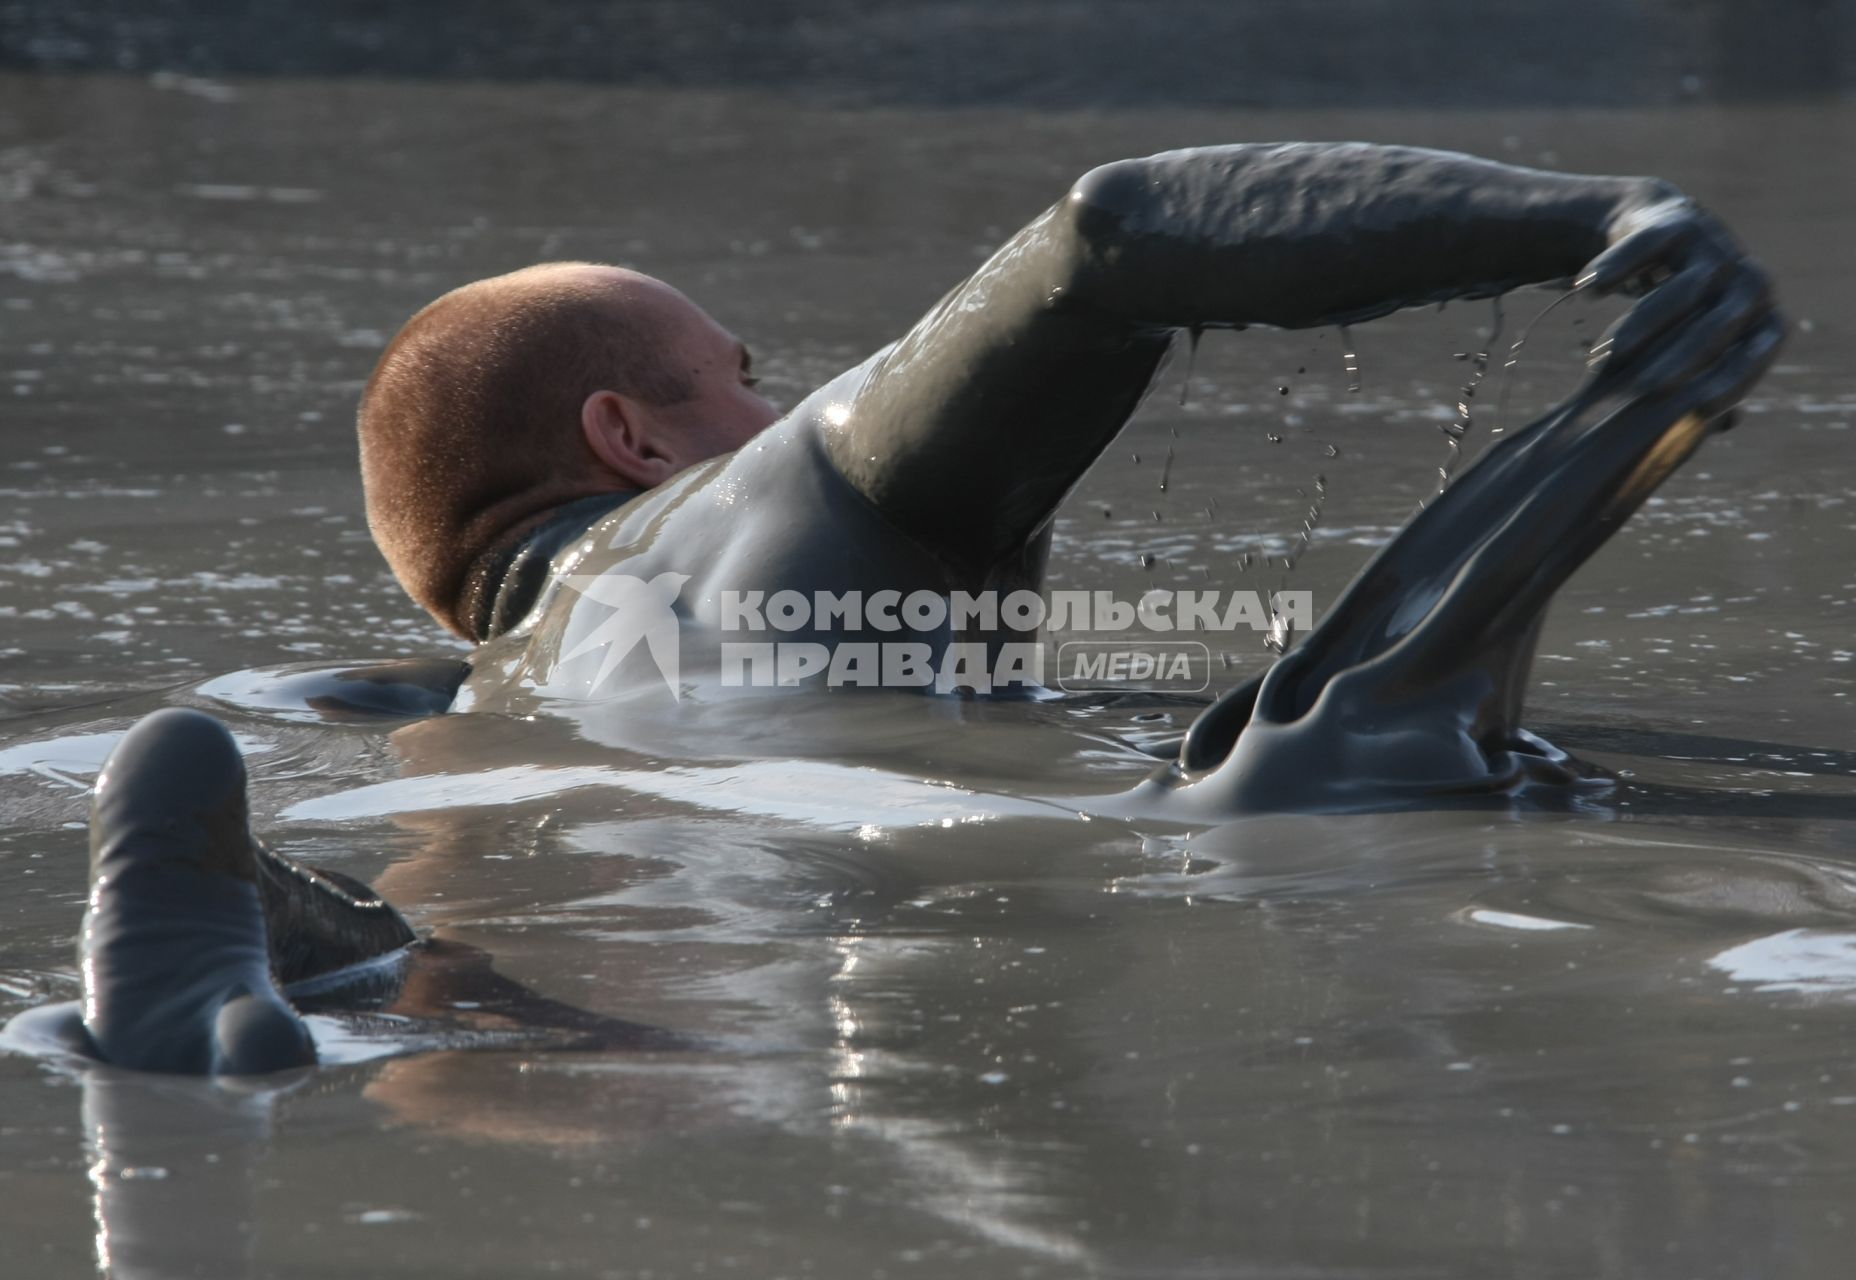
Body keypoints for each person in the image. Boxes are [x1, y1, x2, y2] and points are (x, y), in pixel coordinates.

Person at [4, 142, 1781, 1074]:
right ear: (627, 440)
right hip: (965, 884)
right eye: (740, 380)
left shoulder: (467, 690)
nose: (786, 414)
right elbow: (1110, 238)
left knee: (463, 982)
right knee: (1334, 762)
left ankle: (295, 966)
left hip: (540, 928)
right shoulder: (756, 515)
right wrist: (1594, 214)